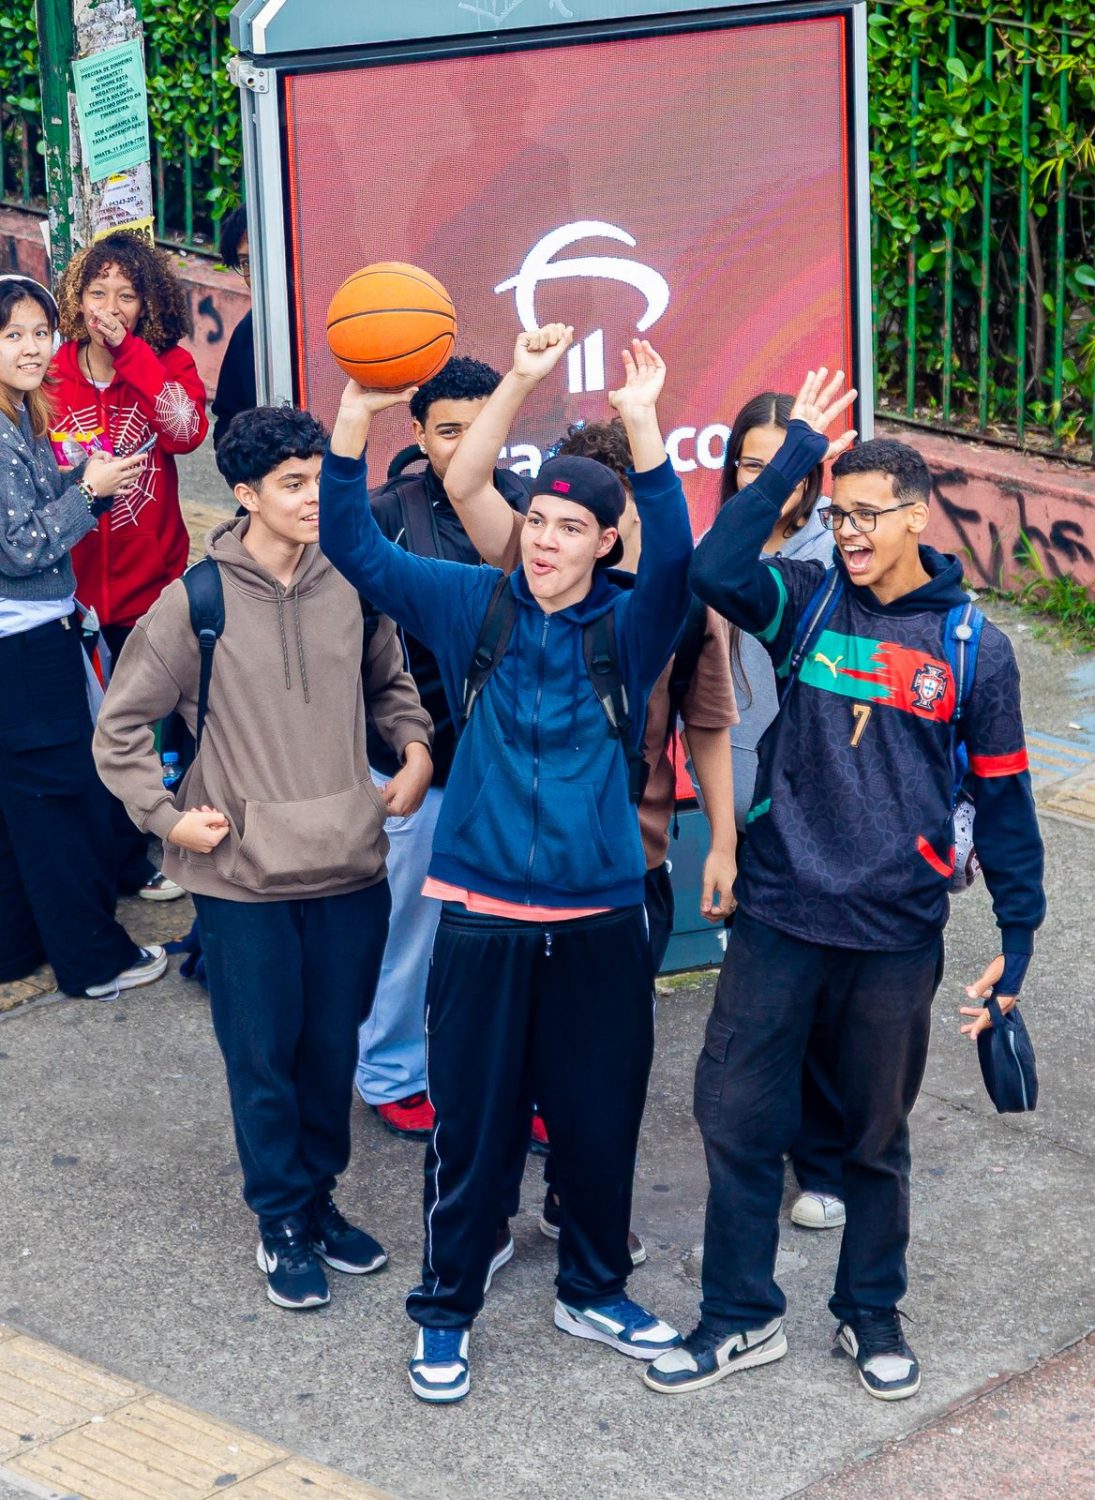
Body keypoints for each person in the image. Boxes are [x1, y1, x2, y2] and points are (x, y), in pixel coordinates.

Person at [645, 370, 1045, 1401]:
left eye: (868, 516)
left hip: (894, 931)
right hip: (780, 912)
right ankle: (739, 1317)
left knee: (873, 1143)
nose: (850, 533)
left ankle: (869, 1312)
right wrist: (796, 455)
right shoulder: (805, 601)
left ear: (916, 516)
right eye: (838, 515)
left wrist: (1018, 940)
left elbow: (1005, 804)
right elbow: (715, 566)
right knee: (736, 1119)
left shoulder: (975, 650)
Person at [320, 325, 692, 1403]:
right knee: (472, 1125)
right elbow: (353, 544)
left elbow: (679, 557)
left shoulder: (631, 626)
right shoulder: (471, 603)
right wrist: (352, 420)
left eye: (570, 529)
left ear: (604, 544)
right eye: (536, 522)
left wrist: (643, 427)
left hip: (598, 915)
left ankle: (595, 1289)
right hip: (479, 910)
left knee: (598, 1120)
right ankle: (446, 1307)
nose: (544, 542)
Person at [94, 406, 434, 1312]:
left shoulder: (353, 581)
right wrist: (167, 819)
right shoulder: (195, 602)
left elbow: (392, 688)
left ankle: (318, 1201)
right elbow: (120, 729)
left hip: (350, 865)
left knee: (328, 1054)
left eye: (319, 478)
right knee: (263, 1060)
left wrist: (414, 752)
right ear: (244, 495)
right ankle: (280, 1218)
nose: (314, 496)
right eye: (292, 483)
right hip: (242, 881)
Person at [492, 415, 738, 1261]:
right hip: (519, 870)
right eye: (550, 517)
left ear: (624, 518)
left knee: (605, 1060)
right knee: (507, 1050)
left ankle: (579, 1200)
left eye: (604, 510)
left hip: (633, 867)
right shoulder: (520, 584)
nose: (564, 534)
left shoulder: (679, 605)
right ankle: (487, 1214)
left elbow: (707, 725)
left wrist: (724, 841)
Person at [357, 355, 530, 1141]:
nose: (464, 444)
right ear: (419, 434)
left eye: (479, 426)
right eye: (448, 430)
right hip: (419, 764)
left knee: (509, 936)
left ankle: (505, 1074)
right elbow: (357, 653)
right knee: (409, 934)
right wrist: (402, 747)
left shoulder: (533, 506)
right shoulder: (382, 513)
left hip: (511, 769)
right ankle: (392, 1072)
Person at [0, 273, 166, 1001]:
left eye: (40, 332)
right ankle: (93, 961)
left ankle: (16, 948)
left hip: (30, 642)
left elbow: (34, 509)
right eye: (12, 334)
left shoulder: (20, 415)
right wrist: (92, 491)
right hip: (25, 650)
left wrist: (80, 476)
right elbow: (22, 547)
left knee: (21, 808)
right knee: (62, 805)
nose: (32, 348)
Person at [718, 391, 845, 1234]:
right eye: (750, 464)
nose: (766, 481)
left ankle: (827, 1164)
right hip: (739, 802)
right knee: (763, 1007)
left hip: (815, 809)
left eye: (786, 464)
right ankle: (768, 1154)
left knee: (821, 1002)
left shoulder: (833, 556)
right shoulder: (723, 549)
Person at [50, 231, 208, 661]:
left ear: (146, 305)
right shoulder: (51, 373)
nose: (110, 309)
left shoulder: (171, 364)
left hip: (153, 597)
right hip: (68, 594)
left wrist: (130, 354)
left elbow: (186, 434)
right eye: (97, 293)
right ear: (78, 302)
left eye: (127, 296)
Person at [211, 205, 256, 451]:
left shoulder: (346, 323)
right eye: (246, 262)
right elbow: (227, 424)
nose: (257, 274)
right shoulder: (248, 333)